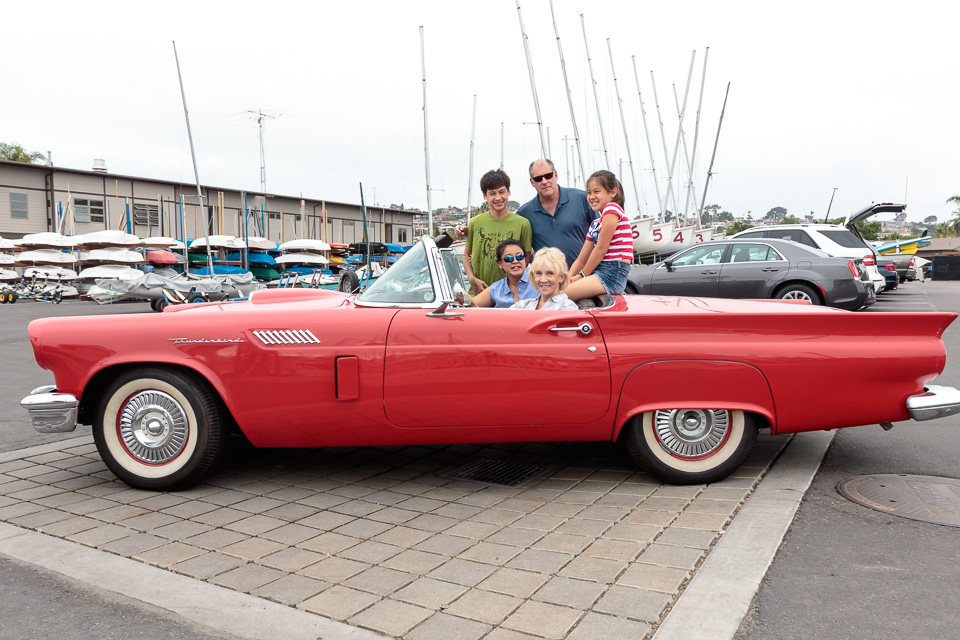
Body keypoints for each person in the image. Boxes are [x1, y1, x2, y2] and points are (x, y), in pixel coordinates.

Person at [564, 170, 633, 301]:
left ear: (612, 192)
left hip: (612, 274)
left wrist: (582, 275)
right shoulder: (595, 224)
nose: (591, 197)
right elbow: (581, 260)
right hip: (599, 271)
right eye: (589, 193)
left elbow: (601, 249)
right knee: (559, 290)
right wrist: (568, 279)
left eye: (596, 192)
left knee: (558, 296)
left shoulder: (612, 209)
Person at [516, 159, 598, 267]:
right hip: (548, 276)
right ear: (532, 182)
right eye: (538, 178)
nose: (544, 181)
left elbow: (601, 236)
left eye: (548, 176)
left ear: (556, 175)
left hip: (585, 274)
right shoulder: (524, 213)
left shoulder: (582, 199)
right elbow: (519, 251)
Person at [462, 169, 533, 294]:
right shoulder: (474, 223)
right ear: (485, 195)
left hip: (510, 293)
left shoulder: (523, 224)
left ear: (509, 191)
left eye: (502, 192)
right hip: (479, 291)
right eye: (492, 193)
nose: (498, 198)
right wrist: (472, 279)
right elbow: (466, 256)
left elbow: (525, 259)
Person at [471, 239, 538, 308]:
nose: (515, 261)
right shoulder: (496, 289)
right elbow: (469, 305)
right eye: (508, 258)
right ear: (500, 264)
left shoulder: (538, 281)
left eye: (519, 257)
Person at [510, 247, 578, 310]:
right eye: (538, 273)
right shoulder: (522, 306)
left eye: (550, 273)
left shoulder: (567, 308)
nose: (543, 280)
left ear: (561, 277)